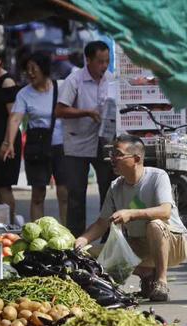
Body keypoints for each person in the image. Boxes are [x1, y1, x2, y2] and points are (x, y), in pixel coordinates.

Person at [75, 135, 187, 302]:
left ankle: (161, 281)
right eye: (112, 154)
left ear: (136, 158)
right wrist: (81, 240)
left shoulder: (157, 177)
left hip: (175, 242)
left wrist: (130, 213)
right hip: (140, 244)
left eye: (118, 154)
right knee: (85, 254)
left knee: (155, 225)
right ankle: (146, 273)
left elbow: (165, 211)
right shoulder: (115, 186)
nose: (112, 159)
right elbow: (102, 223)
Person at [56, 41, 115, 237]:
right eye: (100, 62)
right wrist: (86, 112)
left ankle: (109, 238)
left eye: (107, 61)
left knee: (108, 192)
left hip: (103, 142)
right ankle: (76, 240)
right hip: (77, 144)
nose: (104, 66)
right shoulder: (74, 80)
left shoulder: (110, 79)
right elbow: (60, 110)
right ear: (88, 60)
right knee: (76, 195)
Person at [1, 51, 69, 223]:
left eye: (34, 69)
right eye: (27, 69)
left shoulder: (61, 87)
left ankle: (69, 234)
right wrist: (9, 142)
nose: (30, 73)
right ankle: (37, 235)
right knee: (38, 194)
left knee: (64, 192)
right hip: (37, 147)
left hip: (61, 146)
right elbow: (15, 117)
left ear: (44, 69)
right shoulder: (24, 93)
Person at [0, 45, 20, 224]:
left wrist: (6, 142)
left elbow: (13, 116)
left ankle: (10, 227)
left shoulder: (7, 82)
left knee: (3, 186)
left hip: (4, 140)